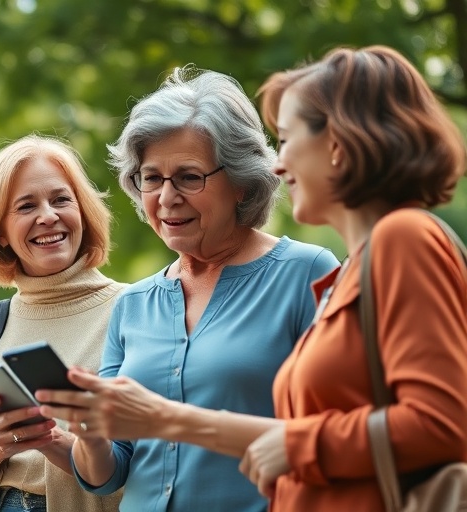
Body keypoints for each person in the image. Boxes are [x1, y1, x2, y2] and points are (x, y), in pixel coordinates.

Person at [38, 45, 467, 511]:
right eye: (151, 179)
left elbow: (432, 424)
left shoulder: (376, 249)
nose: (278, 165)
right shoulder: (137, 302)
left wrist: (179, 422)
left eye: (286, 140)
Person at [33, 67, 338, 511]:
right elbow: (109, 473)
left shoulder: (306, 273)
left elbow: (335, 432)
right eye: (151, 178)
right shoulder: (133, 304)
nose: (166, 197)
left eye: (189, 177)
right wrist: (88, 432)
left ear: (240, 182)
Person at [0, 134, 128, 512]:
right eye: (26, 206)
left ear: (83, 210)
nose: (48, 216)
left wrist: (50, 438)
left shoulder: (136, 307)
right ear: (0, 232)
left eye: (61, 199)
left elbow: (154, 460)